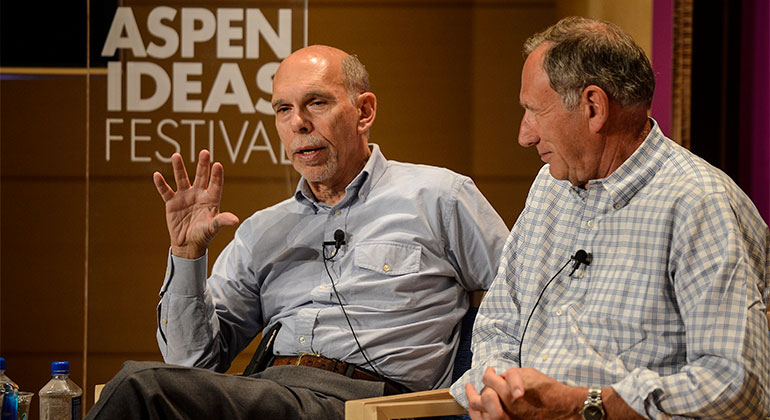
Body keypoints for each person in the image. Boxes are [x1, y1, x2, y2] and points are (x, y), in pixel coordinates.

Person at [85, 45, 508, 419]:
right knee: (150, 391)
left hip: (370, 404)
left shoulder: (438, 196)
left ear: (364, 111)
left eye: (316, 103)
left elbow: (523, 300)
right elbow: (191, 362)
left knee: (140, 387)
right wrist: (187, 254)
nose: (299, 123)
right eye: (283, 109)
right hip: (274, 392)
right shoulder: (262, 231)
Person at [450, 16, 770, 420]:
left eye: (534, 111)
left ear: (593, 107)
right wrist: (496, 389)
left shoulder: (698, 203)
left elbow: (736, 386)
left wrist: (585, 405)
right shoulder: (550, 187)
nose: (524, 135)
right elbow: (498, 323)